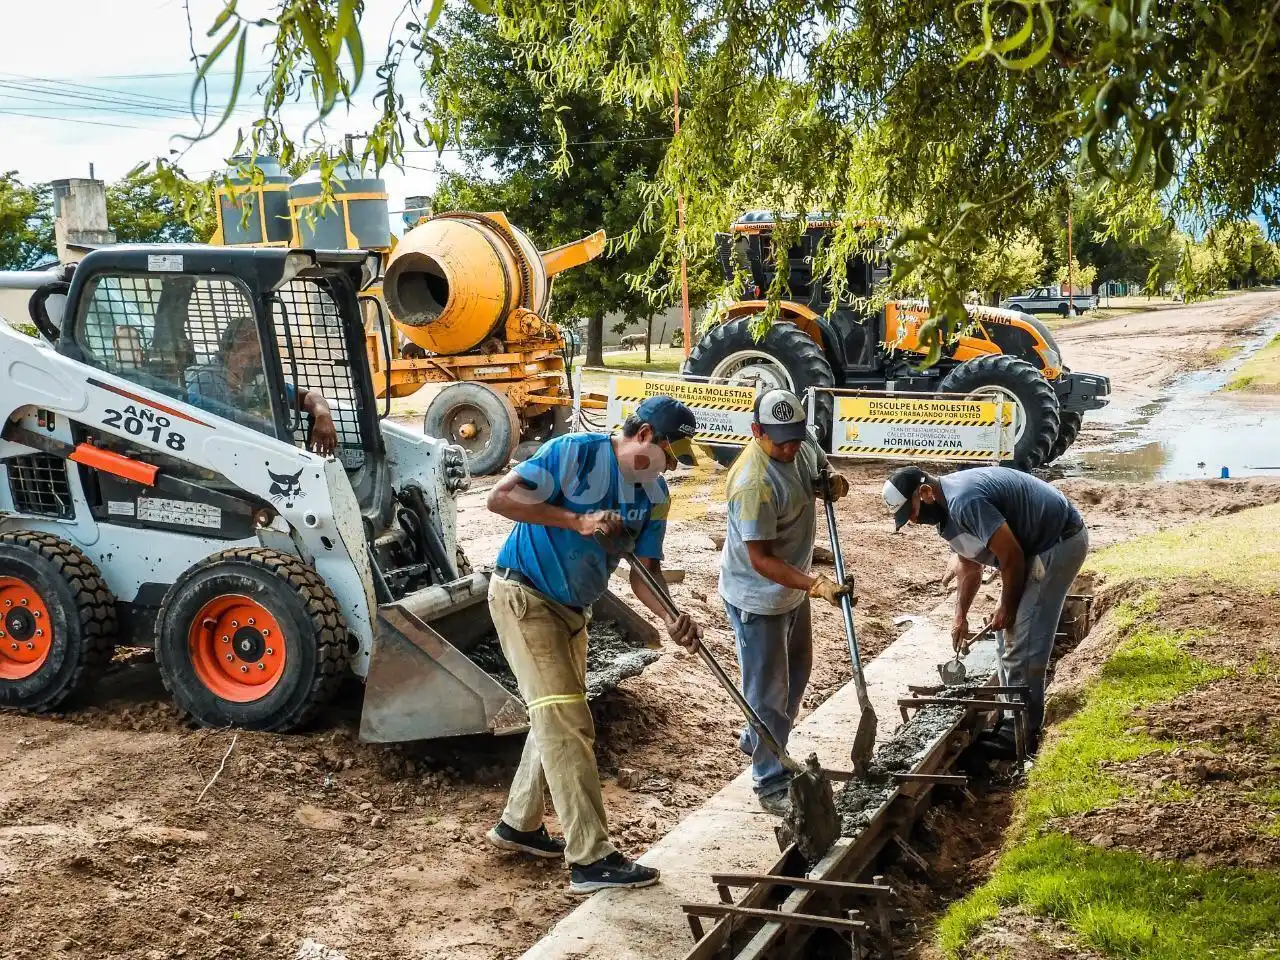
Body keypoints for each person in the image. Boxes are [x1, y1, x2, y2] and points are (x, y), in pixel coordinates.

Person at [484, 396, 703, 894]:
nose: (671, 467)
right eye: (670, 455)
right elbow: (498, 500)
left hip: (573, 609)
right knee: (566, 718)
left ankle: (518, 825)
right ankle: (591, 858)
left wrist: (672, 618)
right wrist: (576, 520)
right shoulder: (574, 454)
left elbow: (644, 574)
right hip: (524, 595)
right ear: (644, 435)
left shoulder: (655, 496)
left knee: (556, 715)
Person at [882, 464, 1089, 756]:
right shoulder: (945, 511)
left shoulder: (965, 501)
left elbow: (1012, 556)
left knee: (1023, 642)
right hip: (1032, 547)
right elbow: (969, 566)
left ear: (925, 492)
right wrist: (960, 617)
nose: (914, 521)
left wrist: (1006, 606)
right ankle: (1010, 718)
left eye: (912, 512)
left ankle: (1021, 735)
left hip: (1058, 541)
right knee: (1007, 639)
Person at [719, 388, 852, 816]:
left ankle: (760, 737)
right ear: (756, 431)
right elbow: (761, 559)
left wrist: (829, 482)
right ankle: (768, 778)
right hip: (758, 597)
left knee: (797, 676)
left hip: (794, 588)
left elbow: (818, 467)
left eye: (795, 437)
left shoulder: (799, 439)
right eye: (781, 441)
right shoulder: (752, 484)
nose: (791, 447)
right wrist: (815, 585)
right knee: (768, 691)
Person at [185, 320, 339, 456]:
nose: (258, 363)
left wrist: (322, 414)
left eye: (260, 357)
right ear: (228, 352)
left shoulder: (257, 381)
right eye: (251, 357)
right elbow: (211, 432)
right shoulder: (205, 384)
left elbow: (306, 397)